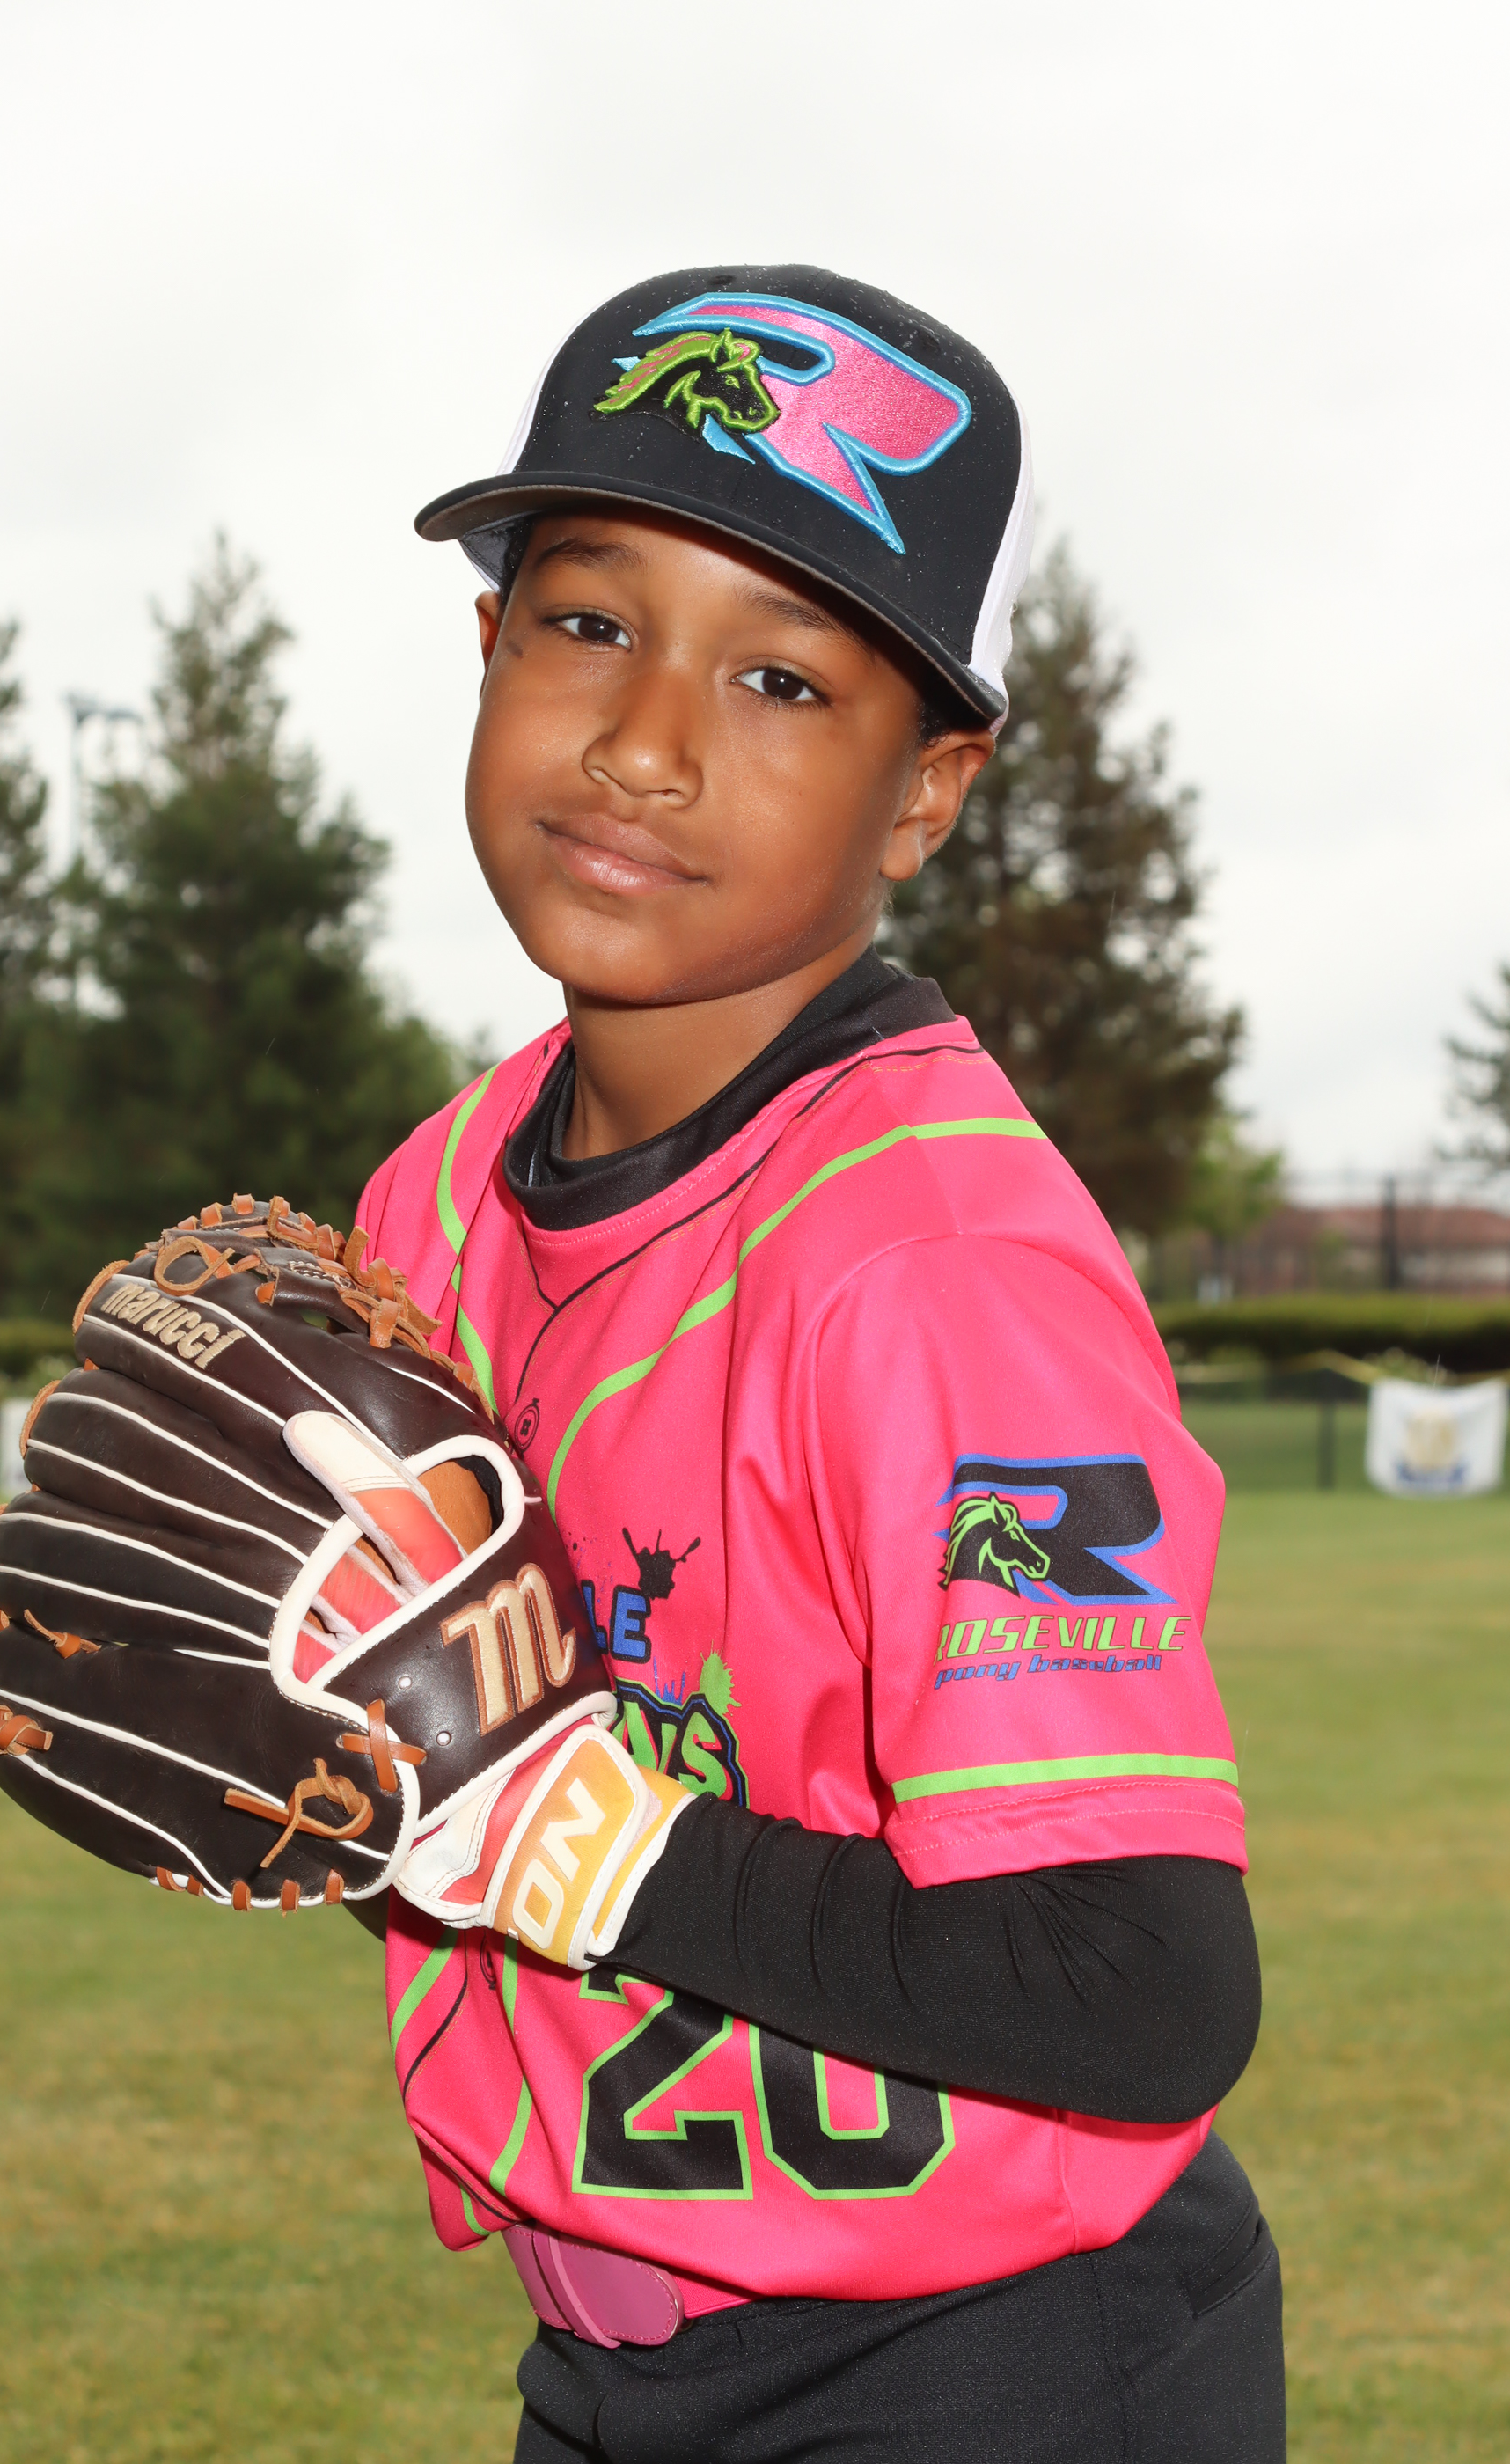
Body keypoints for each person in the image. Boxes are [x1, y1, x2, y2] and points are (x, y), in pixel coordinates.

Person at [353, 266, 1284, 2462]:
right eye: (590, 620)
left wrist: (595, 1845)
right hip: (618, 2342)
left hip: (989, 2361)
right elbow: (424, 1761)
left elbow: (1136, 1977)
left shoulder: (935, 1264)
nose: (646, 742)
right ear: (484, 650)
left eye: (781, 676)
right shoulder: (432, 1200)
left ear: (925, 790)